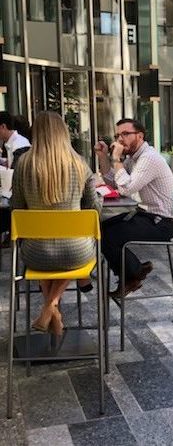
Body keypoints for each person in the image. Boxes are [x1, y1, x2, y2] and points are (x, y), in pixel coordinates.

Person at [11, 111, 102, 335]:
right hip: (76, 253)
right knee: (74, 247)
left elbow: (16, 209)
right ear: (64, 133)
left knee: (45, 248)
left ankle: (49, 310)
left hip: (35, 254)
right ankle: (51, 309)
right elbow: (94, 210)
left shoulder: (23, 165)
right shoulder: (80, 164)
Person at [95, 118, 173, 298]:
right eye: (118, 135)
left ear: (139, 136)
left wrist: (116, 158)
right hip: (146, 215)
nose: (120, 139)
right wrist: (103, 157)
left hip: (161, 222)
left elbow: (126, 188)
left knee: (108, 235)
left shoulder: (148, 158)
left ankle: (132, 275)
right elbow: (113, 181)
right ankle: (135, 271)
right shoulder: (135, 158)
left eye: (125, 134)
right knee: (99, 229)